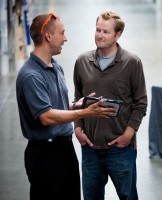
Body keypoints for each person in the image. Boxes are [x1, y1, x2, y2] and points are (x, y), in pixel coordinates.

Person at [15, 13, 117, 200]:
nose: (66, 38)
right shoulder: (31, 76)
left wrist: (75, 105)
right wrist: (84, 112)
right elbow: (46, 116)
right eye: (62, 33)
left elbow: (54, 107)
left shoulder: (55, 66)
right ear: (48, 36)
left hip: (64, 150)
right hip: (45, 155)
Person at [73, 11, 148, 200]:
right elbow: (78, 98)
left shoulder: (132, 63)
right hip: (90, 147)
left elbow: (141, 103)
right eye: (98, 30)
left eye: (106, 32)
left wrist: (128, 135)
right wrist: (78, 127)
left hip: (120, 148)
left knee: (128, 196)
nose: (99, 35)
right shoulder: (82, 62)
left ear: (118, 35)